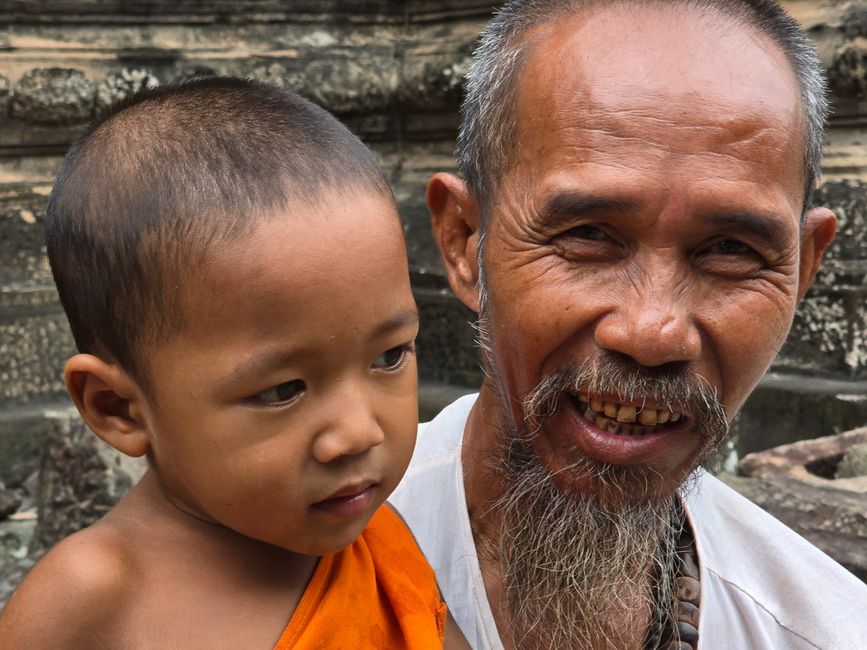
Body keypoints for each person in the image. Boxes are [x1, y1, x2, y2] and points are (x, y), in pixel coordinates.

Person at [389, 0, 867, 648]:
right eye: (587, 236)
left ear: (803, 268)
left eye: (729, 250)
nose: (652, 333)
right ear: (462, 241)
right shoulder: (258, 573)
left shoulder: (825, 631)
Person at [0, 78, 468, 648]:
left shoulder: (379, 543)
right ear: (118, 408)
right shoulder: (90, 601)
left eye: (390, 356)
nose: (358, 432)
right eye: (282, 391)